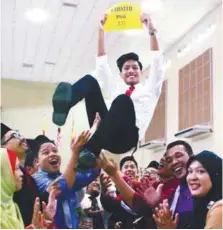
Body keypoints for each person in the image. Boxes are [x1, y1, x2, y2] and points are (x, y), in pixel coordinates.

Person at [52, 13, 164, 172]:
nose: (131, 70)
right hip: (106, 134)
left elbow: (157, 63)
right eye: (126, 68)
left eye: (135, 68)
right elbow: (102, 66)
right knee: (91, 81)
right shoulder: (116, 89)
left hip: (126, 140)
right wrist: (101, 31)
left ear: (141, 72)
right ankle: (64, 105)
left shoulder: (150, 90)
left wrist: (151, 31)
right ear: (121, 75)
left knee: (123, 101)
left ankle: (91, 150)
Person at [31, 132, 101, 228]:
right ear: (37, 162)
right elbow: (63, 188)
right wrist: (75, 154)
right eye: (46, 152)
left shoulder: (64, 176)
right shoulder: (36, 179)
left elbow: (87, 176)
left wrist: (82, 215)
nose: (52, 154)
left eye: (55, 151)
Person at [153, 150, 222, 229]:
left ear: (216, 175)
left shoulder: (219, 208)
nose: (192, 177)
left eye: (201, 171)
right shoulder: (198, 205)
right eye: (190, 171)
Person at [0, 148, 57, 229]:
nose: (21, 174)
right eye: (16, 168)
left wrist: (41, 223)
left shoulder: (11, 205)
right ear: (3, 173)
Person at [1, 123, 44, 226]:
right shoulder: (6, 182)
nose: (22, 138)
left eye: (20, 134)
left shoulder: (26, 176)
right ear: (2, 146)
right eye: (15, 136)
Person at [152, 140, 194, 229]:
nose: (174, 162)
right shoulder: (176, 192)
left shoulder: (202, 188)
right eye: (169, 160)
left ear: (192, 157)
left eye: (178, 156)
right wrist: (156, 204)